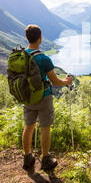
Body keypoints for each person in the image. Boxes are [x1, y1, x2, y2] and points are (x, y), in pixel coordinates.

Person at [22, 25, 73, 172]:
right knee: (45, 128)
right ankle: (45, 160)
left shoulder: (21, 56)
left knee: (28, 126)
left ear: (27, 38)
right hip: (43, 98)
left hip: (27, 97)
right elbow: (55, 81)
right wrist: (66, 82)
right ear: (40, 38)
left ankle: (27, 158)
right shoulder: (44, 58)